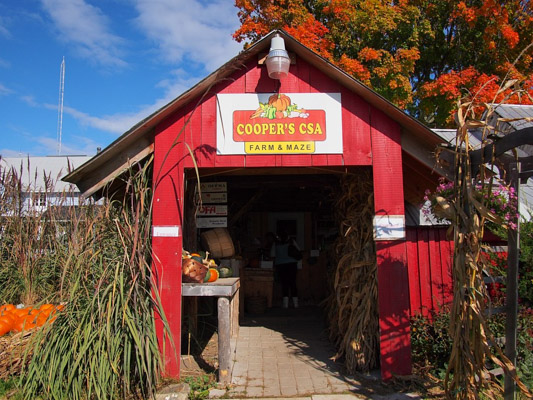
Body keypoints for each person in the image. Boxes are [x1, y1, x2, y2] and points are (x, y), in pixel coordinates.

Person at [273, 230, 301, 308]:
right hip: (292, 264)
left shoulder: (276, 244)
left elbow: (272, 254)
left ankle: (285, 304)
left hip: (281, 265)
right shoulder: (291, 241)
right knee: (293, 283)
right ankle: (296, 304)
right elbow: (298, 251)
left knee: (284, 283)